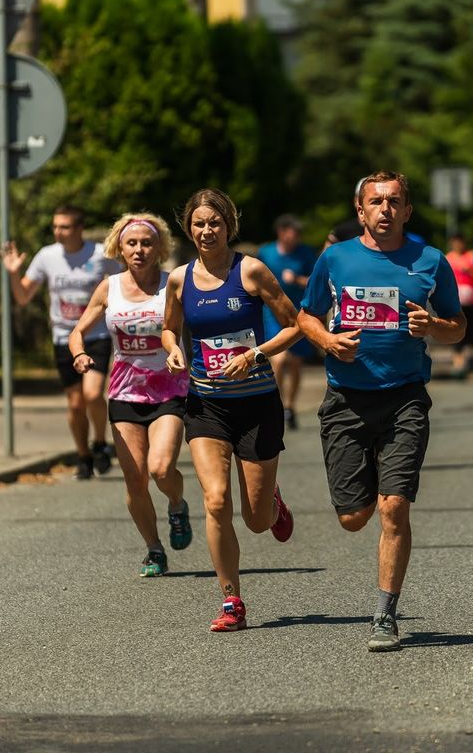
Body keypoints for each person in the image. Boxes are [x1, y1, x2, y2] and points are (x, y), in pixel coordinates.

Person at [297, 170, 465, 652]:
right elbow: (305, 315)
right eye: (376, 202)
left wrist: (433, 324)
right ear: (361, 211)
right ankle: (365, 481)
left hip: (404, 396)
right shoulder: (335, 258)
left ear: (407, 211)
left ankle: (385, 613)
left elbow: (457, 326)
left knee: (395, 507)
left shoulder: (430, 260)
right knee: (354, 517)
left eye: (395, 201)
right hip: (346, 398)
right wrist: (328, 340)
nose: (385, 209)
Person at [162, 188, 299, 633]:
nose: (207, 231)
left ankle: (272, 503)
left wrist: (255, 355)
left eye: (215, 223)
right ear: (190, 228)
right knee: (216, 500)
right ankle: (231, 601)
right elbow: (169, 329)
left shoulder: (252, 271)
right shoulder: (180, 280)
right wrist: (173, 351)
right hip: (206, 405)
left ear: (228, 226)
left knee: (256, 521)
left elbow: (296, 326)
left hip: (257, 404)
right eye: (199, 224)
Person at [69, 213, 192, 577]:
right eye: (132, 243)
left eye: (147, 243)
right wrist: (79, 354)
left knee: (160, 467)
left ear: (159, 248)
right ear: (119, 248)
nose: (139, 250)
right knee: (135, 478)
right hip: (124, 393)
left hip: (169, 388)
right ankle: (154, 549)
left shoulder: (174, 284)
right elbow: (78, 331)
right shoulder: (109, 288)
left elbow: (197, 326)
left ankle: (176, 503)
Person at [1, 205, 122, 479]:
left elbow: (124, 283)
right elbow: (23, 297)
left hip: (96, 335)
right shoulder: (47, 256)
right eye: (55, 226)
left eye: (64, 226)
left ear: (79, 228)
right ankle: (83, 455)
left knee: (93, 394)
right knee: (75, 403)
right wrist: (12, 273)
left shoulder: (100, 254)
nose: (58, 231)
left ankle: (101, 443)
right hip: (63, 338)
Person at [257, 214, 319, 429]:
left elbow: (315, 280)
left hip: (299, 313)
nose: (297, 236)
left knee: (295, 363)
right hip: (272, 313)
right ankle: (279, 404)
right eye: (293, 231)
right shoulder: (266, 252)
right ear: (281, 232)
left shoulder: (305, 253)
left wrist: (298, 279)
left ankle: (290, 407)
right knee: (280, 359)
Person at [446, 233, 473, 378]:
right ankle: (458, 362)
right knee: (456, 330)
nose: (458, 245)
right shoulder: (449, 258)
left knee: (472, 331)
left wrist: (470, 270)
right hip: (457, 302)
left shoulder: (472, 256)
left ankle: (471, 358)